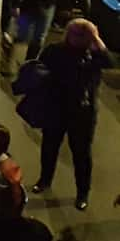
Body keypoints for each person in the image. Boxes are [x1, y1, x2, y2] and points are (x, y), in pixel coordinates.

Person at [27, 19, 110, 210]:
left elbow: (109, 62)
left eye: (83, 36)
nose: (79, 39)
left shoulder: (93, 54)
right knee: (49, 147)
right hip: (56, 108)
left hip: (82, 113)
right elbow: (38, 69)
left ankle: (82, 193)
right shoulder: (55, 50)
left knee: (81, 155)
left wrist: (96, 38)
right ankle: (45, 180)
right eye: (76, 34)